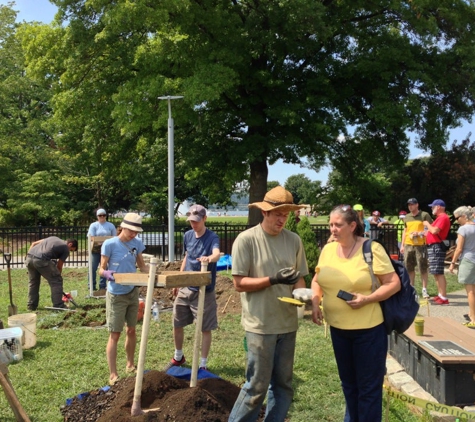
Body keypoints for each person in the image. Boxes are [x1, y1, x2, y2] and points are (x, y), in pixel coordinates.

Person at [311, 205, 400, 422]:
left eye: (338, 225)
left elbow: (393, 283)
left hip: (368, 331)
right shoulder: (328, 250)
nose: (333, 229)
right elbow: (317, 279)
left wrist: (367, 299)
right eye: (330, 224)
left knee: (368, 389)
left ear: (352, 226)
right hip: (338, 330)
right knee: (349, 385)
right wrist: (315, 301)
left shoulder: (371, 249)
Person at [228, 186, 308, 422]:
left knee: (283, 386)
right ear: (264, 213)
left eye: (286, 214)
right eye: (277, 214)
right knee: (256, 388)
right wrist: (272, 280)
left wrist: (305, 298)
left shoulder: (293, 240)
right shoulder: (246, 240)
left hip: (287, 323)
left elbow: (300, 278)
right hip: (260, 325)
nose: (282, 219)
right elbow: (239, 283)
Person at [164, 204, 220, 372]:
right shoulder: (188, 235)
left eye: (196, 221)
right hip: (185, 287)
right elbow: (187, 257)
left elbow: (217, 253)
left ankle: (202, 364)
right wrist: (179, 280)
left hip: (204, 289)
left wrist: (209, 258)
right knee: (177, 322)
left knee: (204, 327)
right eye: (191, 221)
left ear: (204, 219)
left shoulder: (212, 237)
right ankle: (178, 356)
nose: (193, 224)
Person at [99, 213, 149, 385]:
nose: (134, 235)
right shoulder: (110, 244)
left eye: (136, 232)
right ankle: (113, 373)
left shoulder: (137, 244)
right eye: (131, 231)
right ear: (123, 227)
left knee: (132, 329)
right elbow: (101, 268)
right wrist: (106, 273)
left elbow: (141, 266)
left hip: (132, 291)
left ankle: (130, 364)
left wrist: (152, 275)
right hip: (116, 294)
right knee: (115, 333)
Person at [26, 237, 78, 310]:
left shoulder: (53, 238)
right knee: (56, 281)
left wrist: (27, 258)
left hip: (29, 258)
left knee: (33, 282)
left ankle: (31, 305)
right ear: (70, 244)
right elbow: (59, 266)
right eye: (71, 249)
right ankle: (58, 305)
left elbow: (34, 244)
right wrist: (56, 277)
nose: (70, 251)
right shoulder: (65, 248)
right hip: (41, 259)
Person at [400, 198, 433, 296]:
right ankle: (411, 289)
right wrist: (402, 245)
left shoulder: (424, 215)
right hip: (408, 244)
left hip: (420, 245)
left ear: (417, 205)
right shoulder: (407, 216)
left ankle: (424, 289)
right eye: (409, 205)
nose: (410, 206)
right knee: (409, 267)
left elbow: (429, 230)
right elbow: (405, 231)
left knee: (422, 267)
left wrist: (419, 233)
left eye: (412, 204)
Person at [450, 206, 475, 326]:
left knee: (470, 292)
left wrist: (453, 263)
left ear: (464, 216)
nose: (456, 220)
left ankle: (473, 319)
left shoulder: (463, 229)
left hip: (467, 260)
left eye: (457, 218)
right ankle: (471, 313)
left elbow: (459, 248)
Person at [423, 199, 451, 305]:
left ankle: (443, 297)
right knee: (436, 272)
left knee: (438, 272)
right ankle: (440, 294)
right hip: (434, 246)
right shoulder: (439, 218)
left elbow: (434, 230)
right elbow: (431, 232)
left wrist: (427, 223)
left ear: (438, 207)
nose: (431, 208)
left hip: (436, 246)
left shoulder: (443, 217)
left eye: (432, 207)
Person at [87, 208, 117, 290]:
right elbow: (91, 237)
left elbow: (114, 237)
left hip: (107, 250)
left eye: (104, 215)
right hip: (95, 249)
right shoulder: (93, 225)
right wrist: (99, 241)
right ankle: (91, 286)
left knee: (104, 268)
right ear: (97, 216)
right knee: (92, 268)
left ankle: (102, 286)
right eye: (100, 215)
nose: (102, 217)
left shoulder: (110, 225)